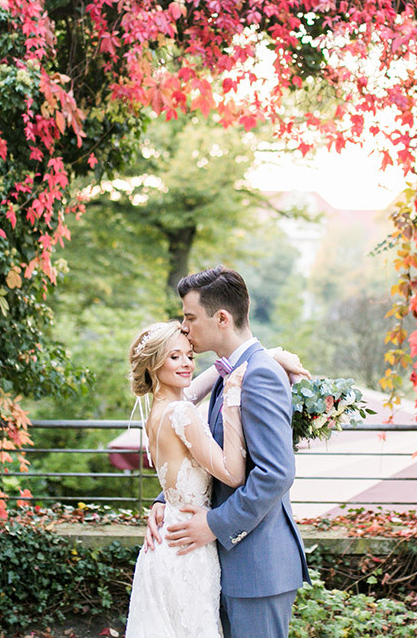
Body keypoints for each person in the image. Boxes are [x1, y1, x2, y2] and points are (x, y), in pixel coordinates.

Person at [145, 266, 310, 638]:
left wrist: (213, 524)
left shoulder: (260, 374)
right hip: (224, 564)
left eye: (189, 317)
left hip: (257, 568)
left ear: (221, 318)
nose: (184, 327)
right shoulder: (230, 372)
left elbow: (275, 474)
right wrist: (168, 498)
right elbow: (207, 453)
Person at [124, 320, 246, 638]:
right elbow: (233, 474)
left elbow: (199, 383)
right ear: (153, 364)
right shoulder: (182, 413)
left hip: (165, 546)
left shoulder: (158, 410)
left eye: (190, 355)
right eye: (174, 356)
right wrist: (232, 399)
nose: (187, 363)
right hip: (187, 550)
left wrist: (260, 357)